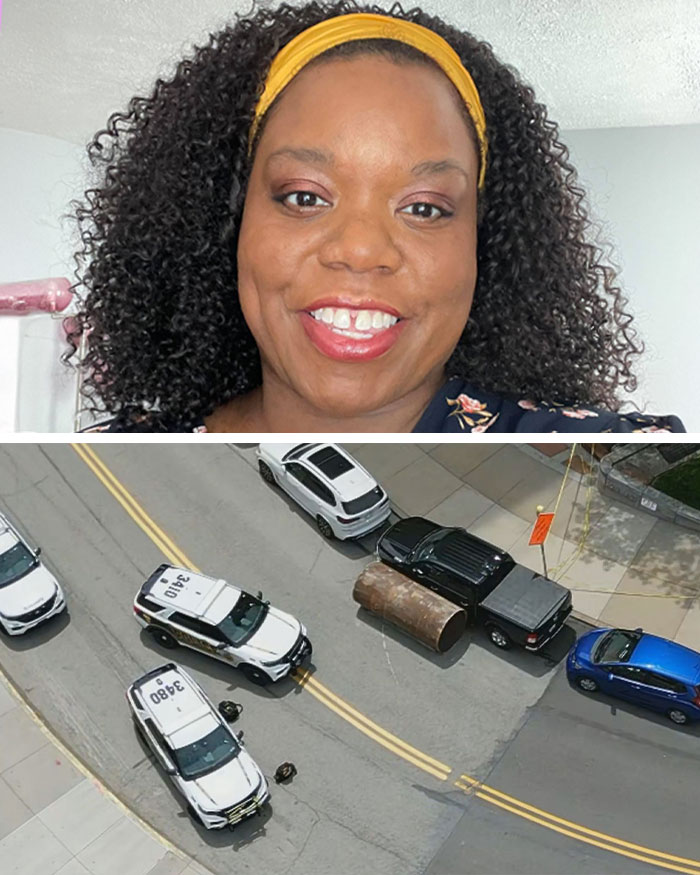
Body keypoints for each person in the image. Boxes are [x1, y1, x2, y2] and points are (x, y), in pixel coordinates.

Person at [68, 1, 684, 434]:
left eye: (424, 207)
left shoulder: (602, 452)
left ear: (482, 247)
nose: (361, 250)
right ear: (227, 225)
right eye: (305, 196)